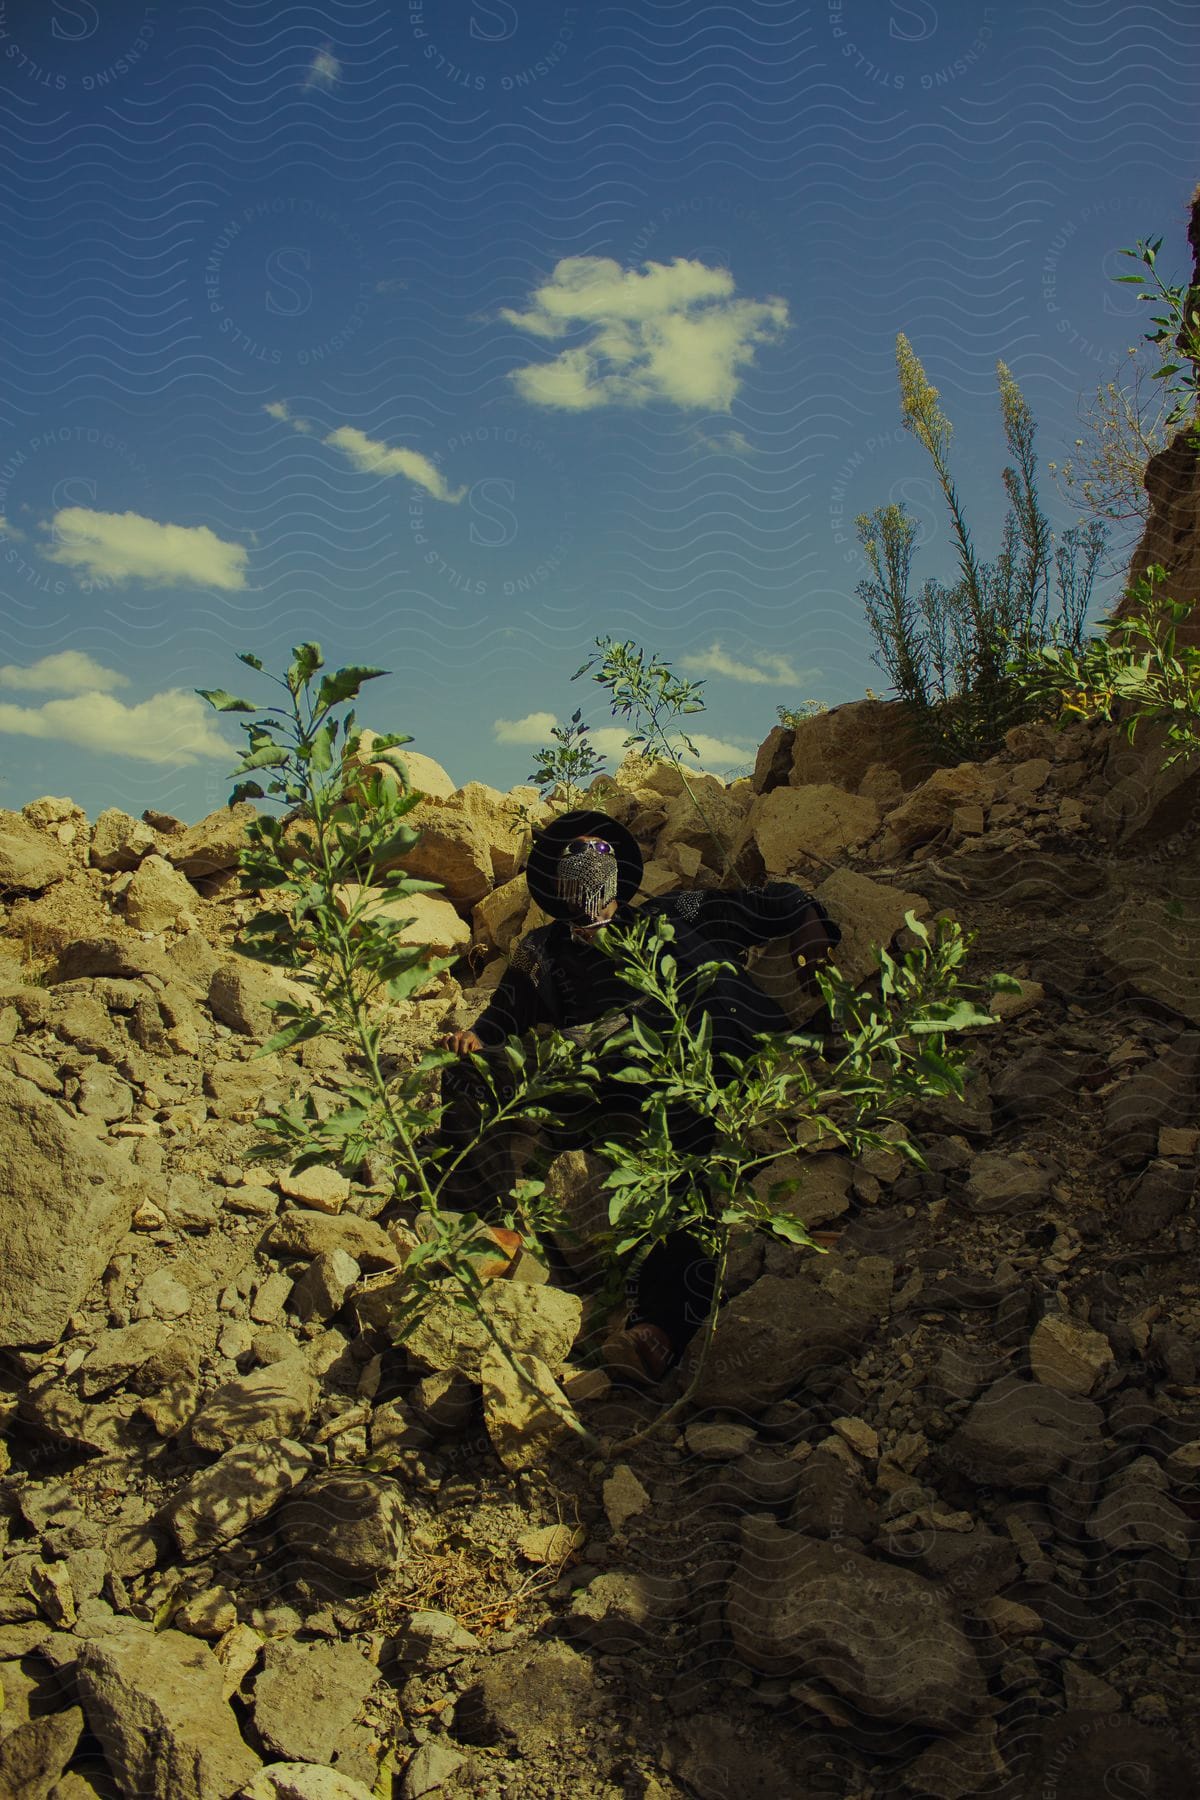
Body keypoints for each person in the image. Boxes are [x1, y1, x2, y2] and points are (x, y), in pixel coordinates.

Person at [432, 808, 841, 1381]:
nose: (587, 859)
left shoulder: (674, 913)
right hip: (590, 1078)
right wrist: (476, 1037)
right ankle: (482, 1230)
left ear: (619, 870)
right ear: (552, 878)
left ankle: (660, 1328)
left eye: (599, 851)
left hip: (683, 1068)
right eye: (572, 853)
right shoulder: (539, 949)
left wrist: (809, 930)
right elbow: (503, 1014)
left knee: (696, 1162)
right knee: (467, 1076)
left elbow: (770, 904)